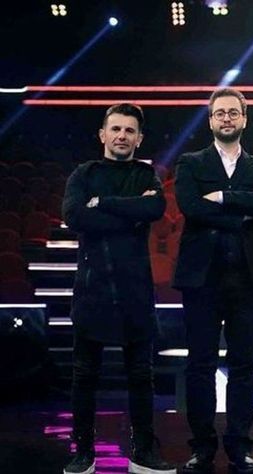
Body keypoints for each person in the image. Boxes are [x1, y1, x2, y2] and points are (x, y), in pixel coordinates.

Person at [62, 103, 175, 474]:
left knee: (141, 376)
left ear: (139, 138)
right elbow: (75, 216)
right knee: (85, 376)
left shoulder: (146, 175)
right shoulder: (84, 173)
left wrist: (105, 205)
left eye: (129, 131)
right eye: (116, 129)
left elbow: (154, 209)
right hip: (92, 289)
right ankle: (83, 452)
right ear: (103, 134)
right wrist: (129, 215)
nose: (122, 136)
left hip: (135, 290)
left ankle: (143, 452)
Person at [173, 87, 253, 474]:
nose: (227, 118)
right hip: (201, 278)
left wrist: (221, 196)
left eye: (233, 112)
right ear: (211, 120)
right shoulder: (190, 162)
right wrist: (243, 209)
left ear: (244, 119)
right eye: (220, 113)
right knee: (200, 365)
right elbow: (190, 207)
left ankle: (239, 447)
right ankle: (202, 448)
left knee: (244, 366)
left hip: (248, 278)